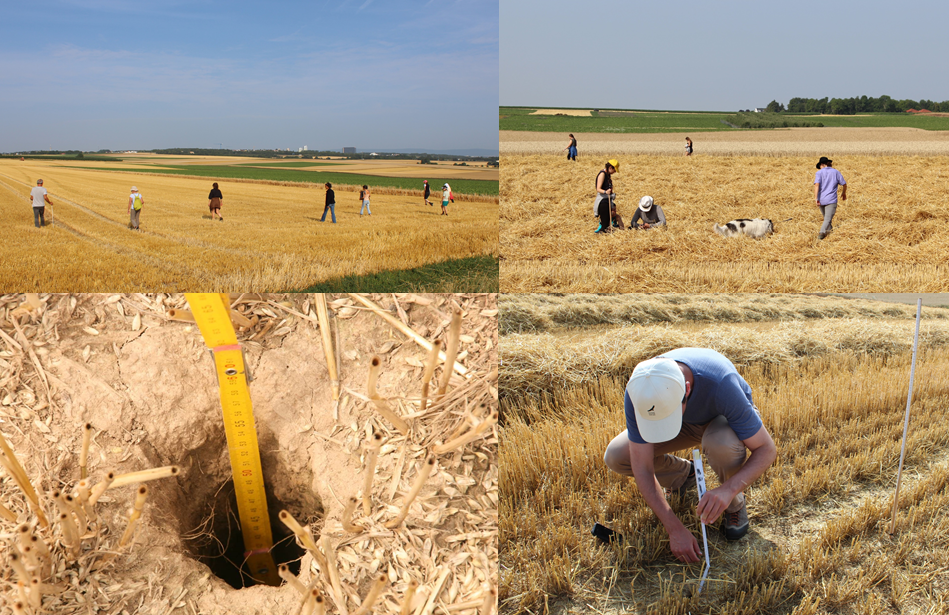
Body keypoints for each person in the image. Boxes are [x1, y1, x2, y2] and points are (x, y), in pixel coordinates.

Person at [602, 349, 777, 562]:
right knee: (617, 455)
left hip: (721, 421)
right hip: (687, 424)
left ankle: (735, 505)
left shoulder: (722, 384)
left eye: (670, 414)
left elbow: (767, 449)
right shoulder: (640, 390)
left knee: (721, 443)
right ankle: (684, 476)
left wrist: (727, 490)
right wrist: (673, 528)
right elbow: (642, 466)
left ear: (686, 389)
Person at [814, 156, 847, 240]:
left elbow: (816, 185)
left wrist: (816, 198)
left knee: (827, 219)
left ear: (822, 164)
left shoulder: (819, 173)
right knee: (827, 219)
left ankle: (830, 233)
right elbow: (844, 184)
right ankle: (821, 234)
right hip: (831, 199)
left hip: (821, 199)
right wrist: (843, 193)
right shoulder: (836, 172)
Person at [593, 159, 619, 233]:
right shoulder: (602, 174)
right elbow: (598, 188)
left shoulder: (608, 175)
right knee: (604, 225)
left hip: (608, 199)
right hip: (603, 201)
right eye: (614, 170)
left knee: (608, 223)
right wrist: (605, 191)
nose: (615, 172)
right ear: (610, 167)